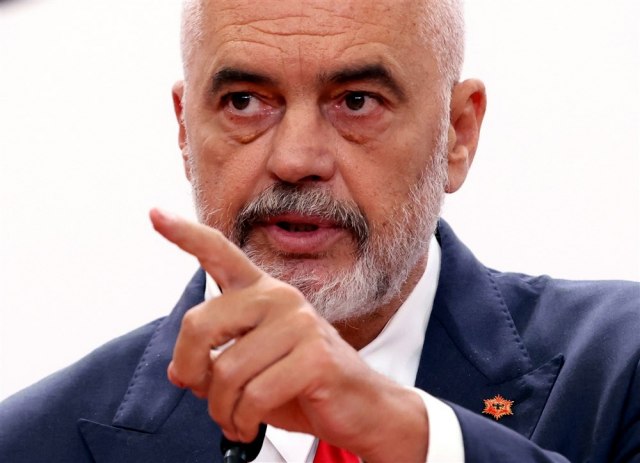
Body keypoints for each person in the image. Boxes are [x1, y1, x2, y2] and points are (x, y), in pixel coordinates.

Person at [0, 0, 638, 462]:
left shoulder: (620, 367)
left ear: (457, 134)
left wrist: (407, 434)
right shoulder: (30, 443)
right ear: (185, 131)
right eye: (244, 101)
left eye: (357, 100)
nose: (295, 159)